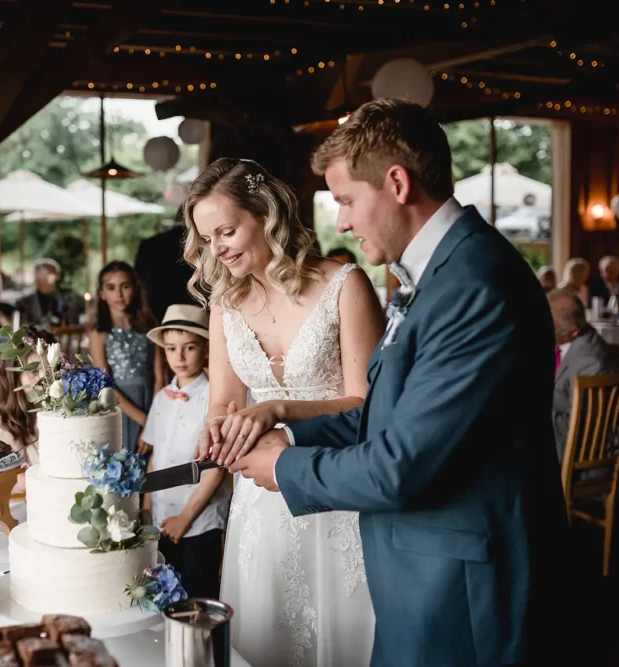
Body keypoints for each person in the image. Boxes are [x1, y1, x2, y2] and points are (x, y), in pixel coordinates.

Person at [219, 100, 569, 667]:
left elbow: (402, 465)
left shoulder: (472, 287)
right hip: (419, 577)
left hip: (461, 588)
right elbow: (386, 412)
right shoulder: (438, 274)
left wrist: (284, 469)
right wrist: (288, 432)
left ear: (397, 183)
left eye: (348, 200)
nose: (343, 222)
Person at [185, 157, 386, 666]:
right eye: (208, 239)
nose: (218, 248)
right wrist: (215, 432)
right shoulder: (225, 305)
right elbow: (223, 405)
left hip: (337, 493)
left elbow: (369, 405)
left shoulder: (345, 285)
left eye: (227, 230)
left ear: (267, 214)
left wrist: (276, 409)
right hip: (260, 505)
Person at [140, 304, 230, 600]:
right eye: (170, 349)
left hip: (198, 522)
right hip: (161, 520)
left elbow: (217, 467)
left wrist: (185, 518)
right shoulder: (161, 399)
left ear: (205, 349)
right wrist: (146, 507)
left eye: (189, 347)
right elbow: (155, 458)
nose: (178, 357)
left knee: (197, 596)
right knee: (164, 597)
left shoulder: (215, 398)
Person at [87, 261, 164, 455]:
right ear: (102, 294)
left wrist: (154, 420)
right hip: (120, 407)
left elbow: (160, 378)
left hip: (152, 405)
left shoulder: (149, 327)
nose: (119, 294)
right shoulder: (99, 333)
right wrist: (145, 421)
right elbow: (105, 385)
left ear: (135, 289)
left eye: (125, 286)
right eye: (111, 288)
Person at [550, 290, 619, 462]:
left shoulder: (591, 363)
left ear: (573, 331)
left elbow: (584, 425)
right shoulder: (566, 338)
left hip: (580, 451)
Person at [0, 327, 57, 493]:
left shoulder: (60, 415)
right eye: (33, 370)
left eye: (50, 369)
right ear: (14, 378)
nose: (43, 378)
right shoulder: (5, 426)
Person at [134, 208, 200, 323]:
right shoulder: (199, 244)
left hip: (156, 307)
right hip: (195, 309)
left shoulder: (149, 244)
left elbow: (138, 278)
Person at [15, 258, 69, 327]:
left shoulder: (62, 300)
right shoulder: (25, 303)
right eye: (52, 276)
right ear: (40, 278)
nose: (57, 279)